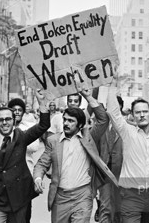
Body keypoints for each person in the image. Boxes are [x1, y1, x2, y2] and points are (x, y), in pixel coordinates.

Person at [33, 87, 117, 223]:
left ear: (80, 125)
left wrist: (89, 97)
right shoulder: (53, 141)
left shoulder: (89, 138)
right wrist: (38, 178)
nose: (66, 123)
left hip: (83, 196)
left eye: (71, 121)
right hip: (60, 198)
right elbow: (42, 163)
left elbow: (103, 120)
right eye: (65, 120)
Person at [106, 75, 149, 223]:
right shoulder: (127, 132)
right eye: (137, 112)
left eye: (145, 111)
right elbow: (113, 112)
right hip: (131, 195)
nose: (142, 115)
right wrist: (111, 86)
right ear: (132, 115)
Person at [0, 90, 50, 223]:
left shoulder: (21, 137)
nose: (5, 123)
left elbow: (43, 126)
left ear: (14, 120)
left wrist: (42, 103)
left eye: (8, 119)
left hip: (19, 197)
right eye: (1, 120)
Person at [7, 98, 40, 223]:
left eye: (19, 110)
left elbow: (34, 146)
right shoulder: (3, 127)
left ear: (23, 112)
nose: (16, 112)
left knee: (25, 212)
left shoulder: (28, 127)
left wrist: (18, 137)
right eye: (13, 110)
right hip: (8, 175)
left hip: (25, 174)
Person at [97, 96, 124, 223]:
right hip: (104, 175)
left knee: (120, 209)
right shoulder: (100, 127)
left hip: (122, 175)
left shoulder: (129, 128)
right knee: (105, 207)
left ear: (121, 108)